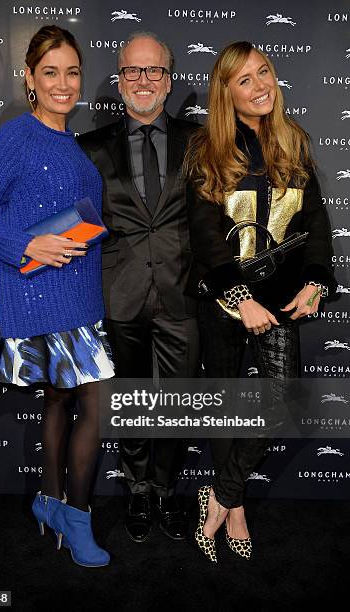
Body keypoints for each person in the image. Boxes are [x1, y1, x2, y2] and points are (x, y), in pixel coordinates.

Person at [0, 26, 114, 568]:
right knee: (91, 400)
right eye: (51, 72)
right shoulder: (16, 137)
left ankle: (49, 503)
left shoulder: (73, 142)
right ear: (29, 77)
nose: (63, 84)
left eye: (72, 72)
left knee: (62, 400)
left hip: (82, 296)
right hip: (41, 296)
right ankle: (77, 515)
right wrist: (27, 243)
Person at [184, 41, 337, 562]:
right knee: (226, 408)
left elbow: (315, 222)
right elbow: (204, 235)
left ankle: (224, 495)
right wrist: (239, 296)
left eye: (264, 72)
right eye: (245, 79)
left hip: (279, 299)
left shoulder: (293, 140)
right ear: (226, 93)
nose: (260, 85)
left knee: (284, 398)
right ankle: (239, 507)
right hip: (224, 300)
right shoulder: (207, 148)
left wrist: (316, 281)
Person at [78, 32, 200, 543]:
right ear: (120, 80)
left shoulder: (200, 143)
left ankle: (168, 491)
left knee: (176, 401)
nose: (143, 80)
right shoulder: (88, 148)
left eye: (153, 71)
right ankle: (138, 492)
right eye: (132, 71)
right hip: (118, 294)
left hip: (183, 294)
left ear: (168, 81)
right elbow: (71, 223)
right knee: (129, 398)